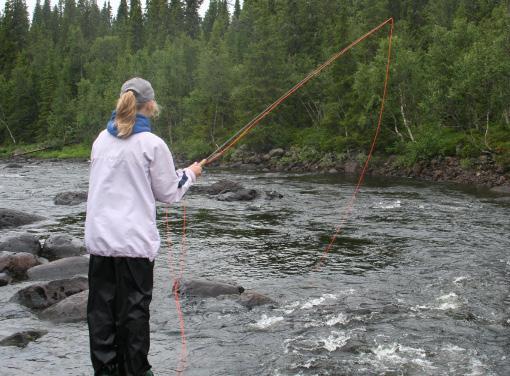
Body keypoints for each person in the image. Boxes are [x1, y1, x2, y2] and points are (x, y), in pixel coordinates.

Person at [85, 77, 203, 376]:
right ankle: (136, 371)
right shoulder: (152, 144)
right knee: (133, 312)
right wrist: (191, 173)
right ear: (150, 105)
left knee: (101, 312)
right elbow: (169, 192)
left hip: (100, 241)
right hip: (134, 244)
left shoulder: (101, 139)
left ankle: (105, 371)